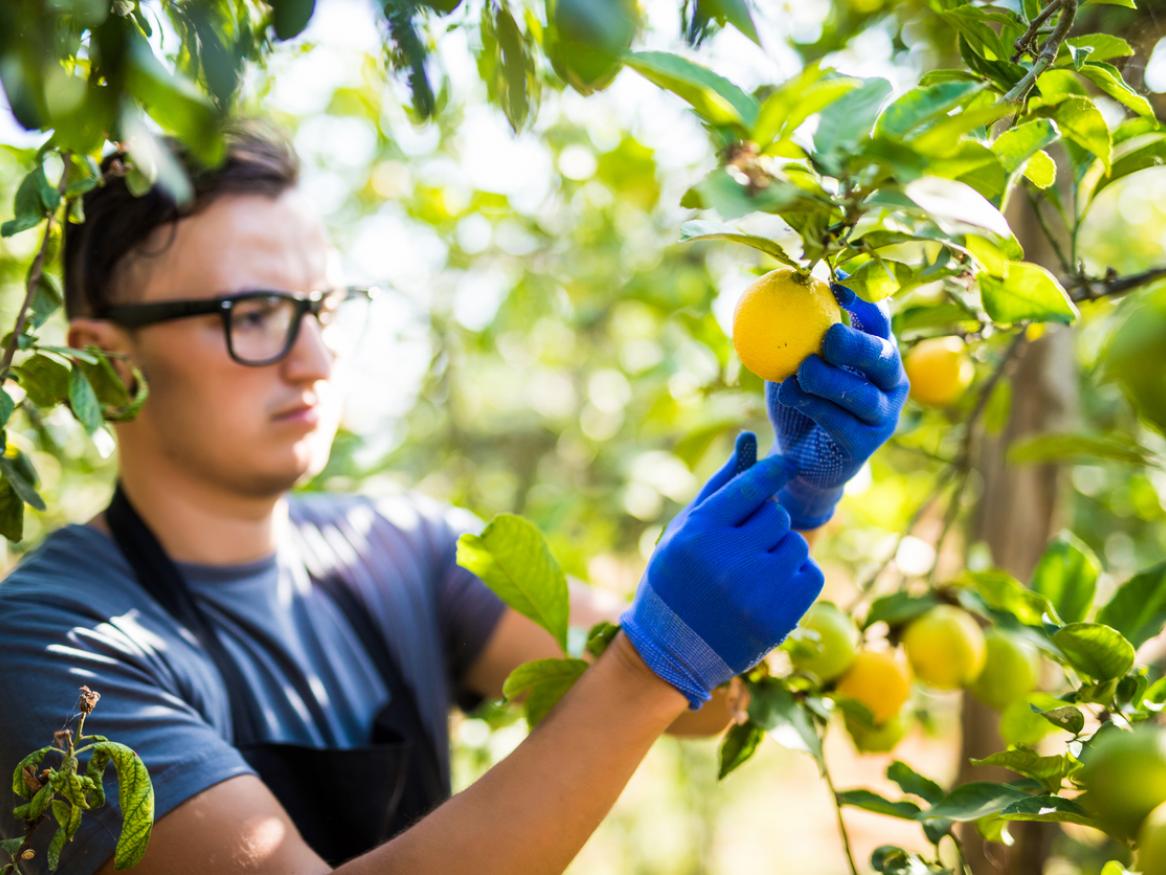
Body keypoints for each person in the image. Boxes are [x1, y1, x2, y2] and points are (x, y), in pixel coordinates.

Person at [0, 125, 908, 874]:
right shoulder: (51, 646)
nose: (315, 359)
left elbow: (705, 699)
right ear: (109, 364)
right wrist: (649, 664)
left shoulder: (402, 549)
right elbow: (654, 674)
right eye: (253, 313)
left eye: (323, 306)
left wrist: (802, 486)